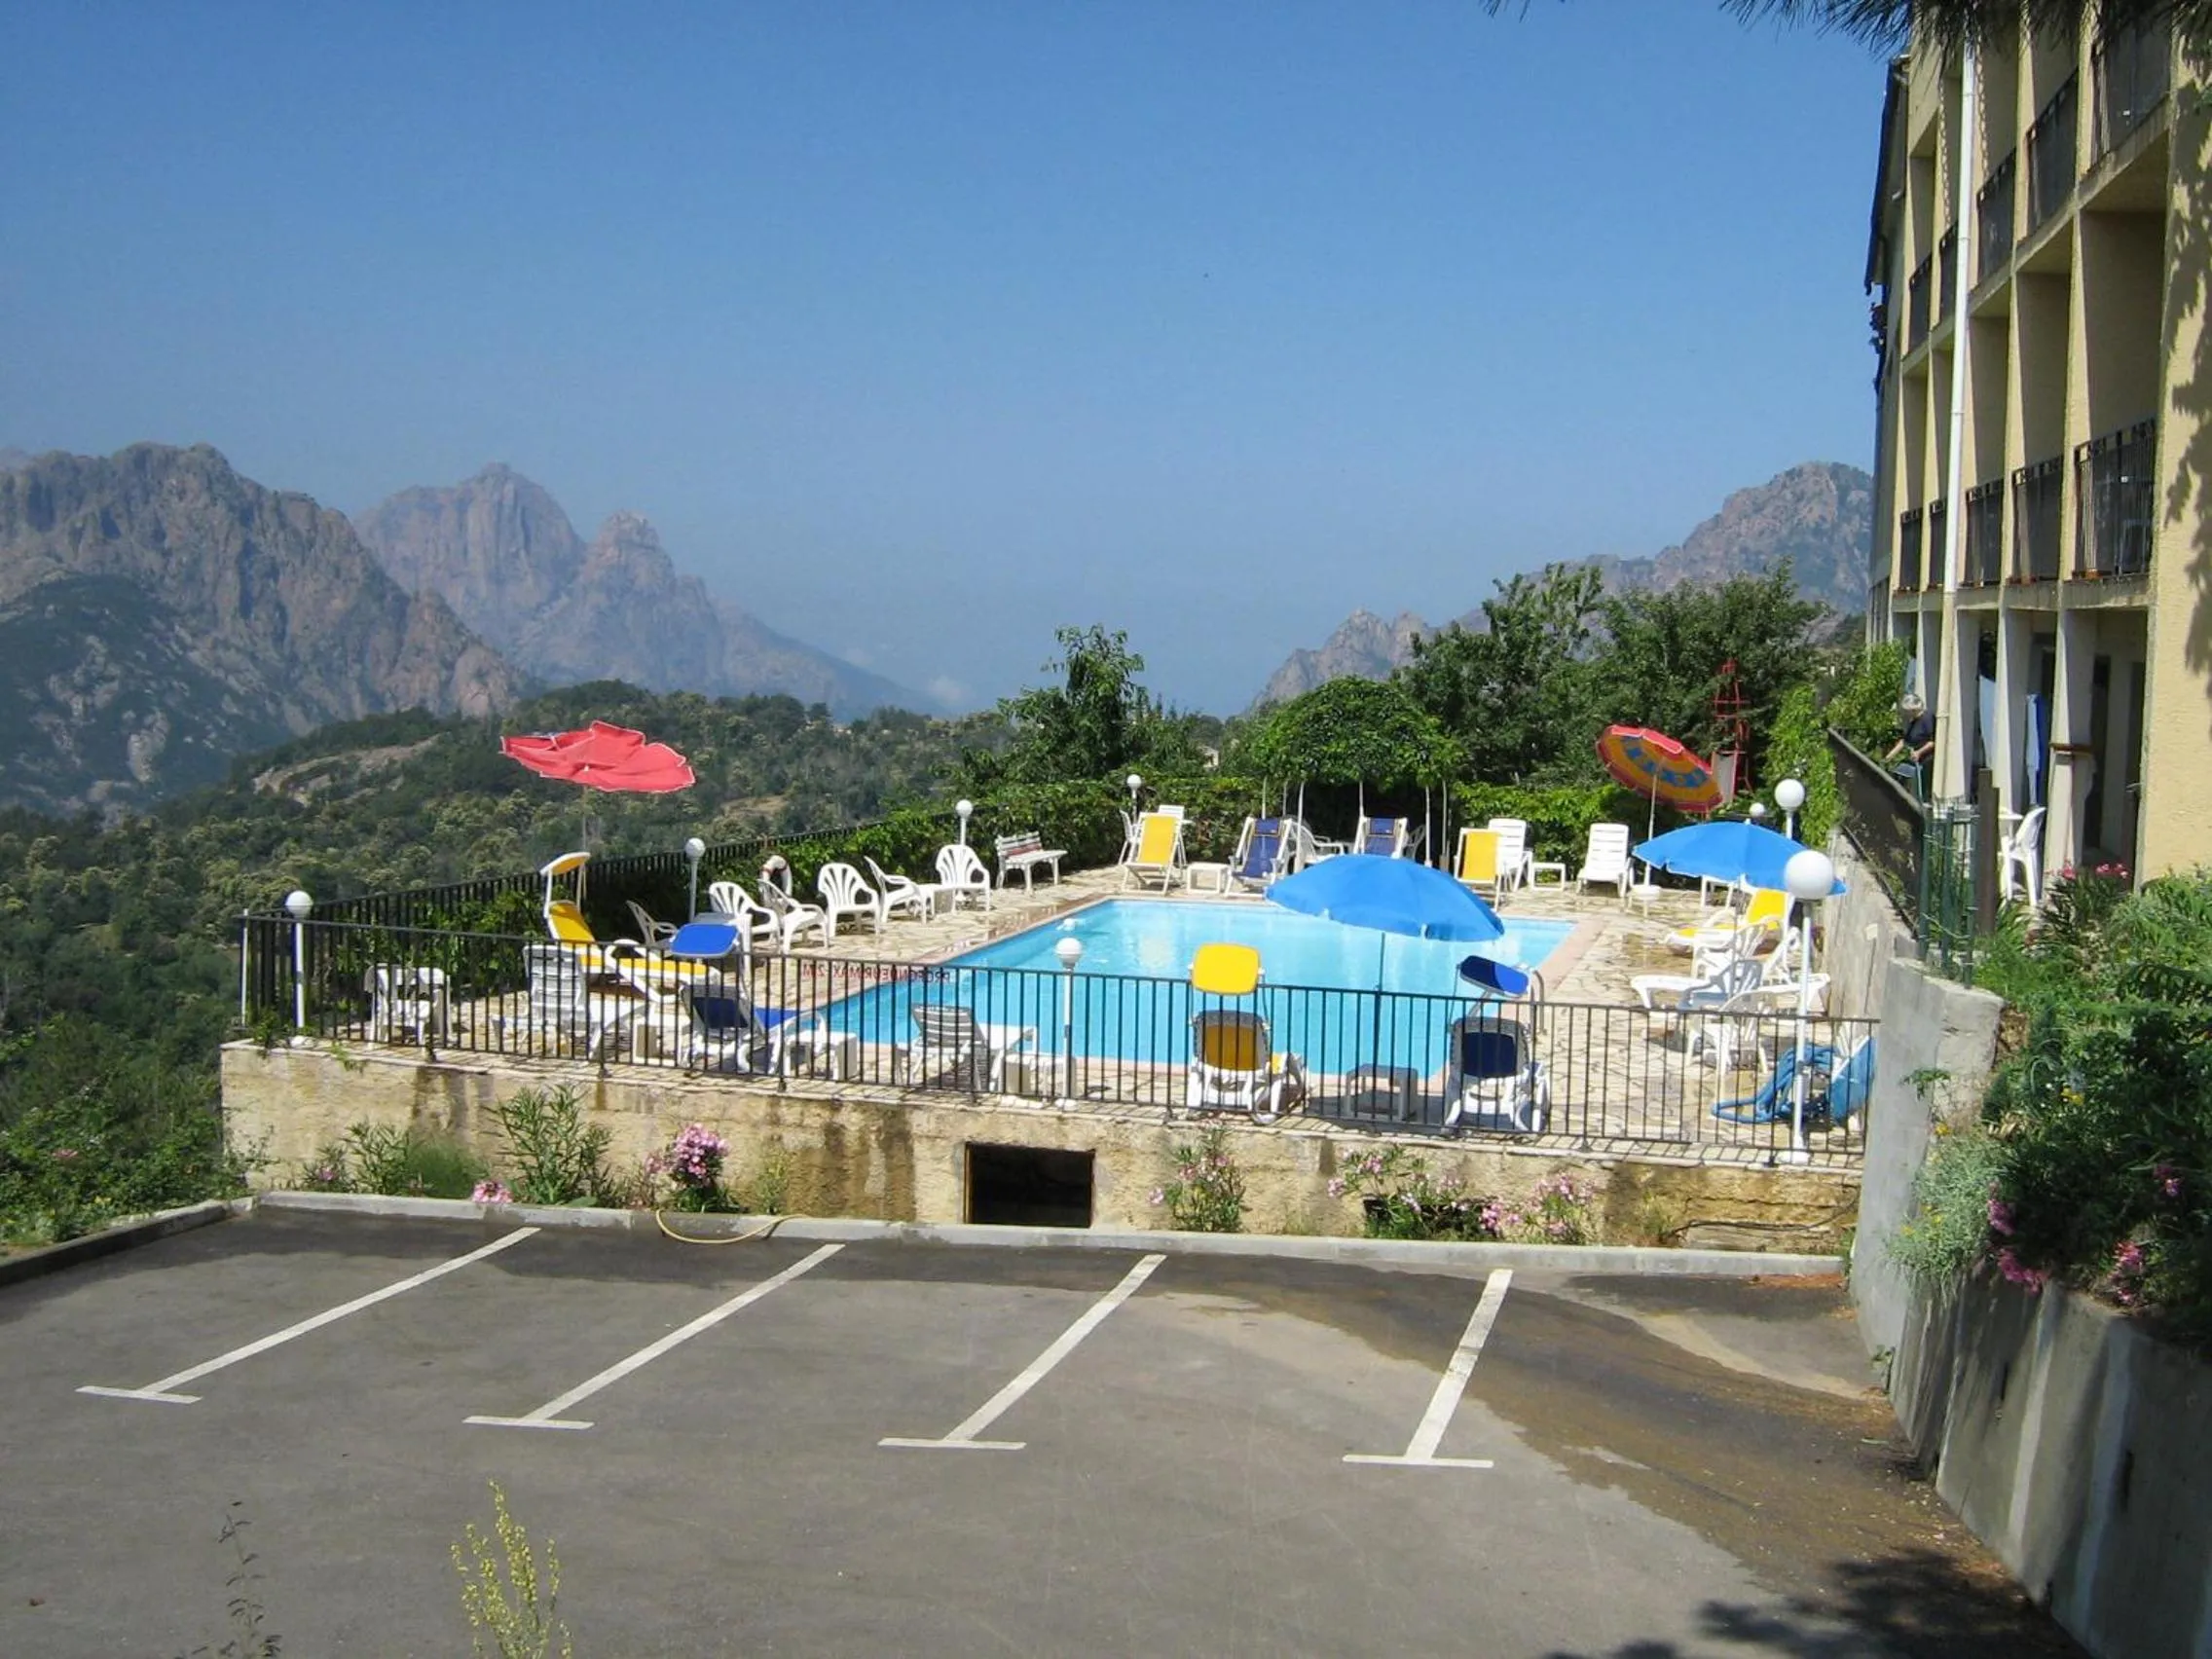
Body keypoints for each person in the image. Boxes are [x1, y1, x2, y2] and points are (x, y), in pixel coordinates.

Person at [1885, 693, 1935, 796]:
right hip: (1914, 761)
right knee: (1899, 773)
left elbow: (1932, 742)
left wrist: (1919, 752)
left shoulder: (1927, 718)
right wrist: (1889, 757)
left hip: (1926, 762)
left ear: (1913, 709)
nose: (1906, 714)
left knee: (1919, 789)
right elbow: (1904, 741)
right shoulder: (1913, 722)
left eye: (1907, 711)